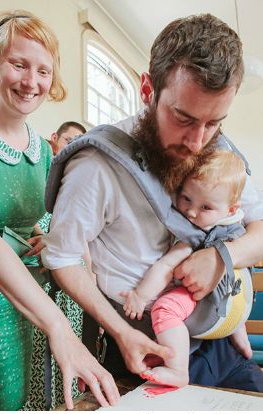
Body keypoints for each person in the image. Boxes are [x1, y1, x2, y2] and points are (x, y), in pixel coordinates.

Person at [42, 13, 263, 391]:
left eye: (214, 123)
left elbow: (258, 227)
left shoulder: (215, 150)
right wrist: (120, 333)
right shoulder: (96, 167)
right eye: (183, 117)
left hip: (222, 343)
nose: (197, 142)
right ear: (148, 89)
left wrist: (220, 258)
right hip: (143, 348)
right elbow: (61, 258)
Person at [0, 10, 119, 410]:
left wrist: (44, 237)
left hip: (21, 311)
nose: (31, 81)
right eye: (19, 64)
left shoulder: (42, 154)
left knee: (9, 407)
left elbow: (41, 225)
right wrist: (60, 327)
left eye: (44, 71)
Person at [121, 149, 252, 388]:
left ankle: (178, 369)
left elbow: (166, 266)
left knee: (165, 308)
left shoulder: (194, 234)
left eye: (205, 208)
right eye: (186, 198)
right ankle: (239, 337)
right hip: (237, 302)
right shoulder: (236, 225)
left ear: (231, 209)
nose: (192, 212)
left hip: (214, 302)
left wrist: (140, 296)